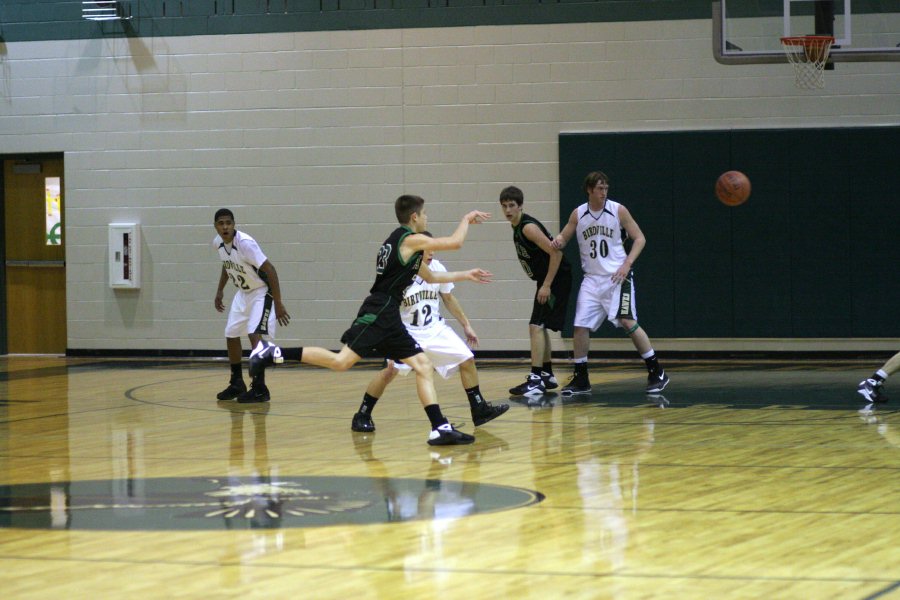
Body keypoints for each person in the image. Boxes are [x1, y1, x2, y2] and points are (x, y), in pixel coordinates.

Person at [249, 195, 493, 446]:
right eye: (425, 213)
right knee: (340, 362)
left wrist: (467, 274)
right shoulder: (409, 239)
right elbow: (455, 242)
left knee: (421, 365)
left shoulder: (396, 244)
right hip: (380, 310)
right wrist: (465, 219)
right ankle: (273, 352)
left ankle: (439, 427)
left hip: (388, 314)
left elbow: (430, 277)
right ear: (414, 217)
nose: (427, 217)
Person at [351, 234, 508, 433]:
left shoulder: (437, 269)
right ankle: (363, 413)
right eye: (428, 248)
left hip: (434, 329)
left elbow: (448, 299)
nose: (432, 252)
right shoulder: (400, 274)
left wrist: (466, 324)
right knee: (389, 371)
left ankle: (479, 409)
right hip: (406, 332)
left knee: (467, 359)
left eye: (434, 248)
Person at [551, 171, 669, 395]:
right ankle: (581, 378)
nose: (604, 192)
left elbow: (640, 238)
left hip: (617, 277)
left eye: (606, 188)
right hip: (592, 279)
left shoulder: (618, 210)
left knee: (627, 321)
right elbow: (563, 237)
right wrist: (556, 241)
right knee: (580, 326)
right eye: (599, 189)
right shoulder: (578, 214)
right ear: (589, 190)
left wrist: (627, 264)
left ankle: (657, 370)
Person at [499, 186, 572, 397]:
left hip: (556, 277)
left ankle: (536, 379)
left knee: (535, 325)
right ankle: (547, 374)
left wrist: (547, 284)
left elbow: (555, 254)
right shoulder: (516, 226)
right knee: (540, 325)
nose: (508, 210)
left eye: (511, 205)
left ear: (520, 206)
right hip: (547, 278)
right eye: (504, 206)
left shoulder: (527, 227)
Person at [212, 208, 290, 404]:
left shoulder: (245, 244)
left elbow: (270, 269)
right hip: (243, 294)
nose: (225, 227)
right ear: (216, 227)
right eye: (221, 223)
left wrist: (278, 303)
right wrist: (220, 290)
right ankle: (237, 382)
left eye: (228, 223)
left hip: (261, 292)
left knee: (254, 334)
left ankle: (260, 387)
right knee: (231, 333)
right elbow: (227, 264)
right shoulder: (218, 244)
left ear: (234, 224)